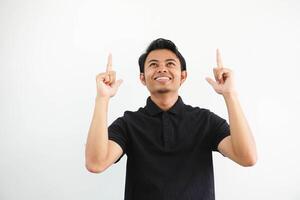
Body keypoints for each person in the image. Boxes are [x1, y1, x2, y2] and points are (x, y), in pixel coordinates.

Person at [85, 38, 257, 200]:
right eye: (153, 64)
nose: (162, 69)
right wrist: (102, 98)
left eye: (170, 64)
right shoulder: (129, 123)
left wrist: (230, 94)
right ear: (142, 78)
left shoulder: (205, 120)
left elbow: (247, 157)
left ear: (183, 76)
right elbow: (96, 163)